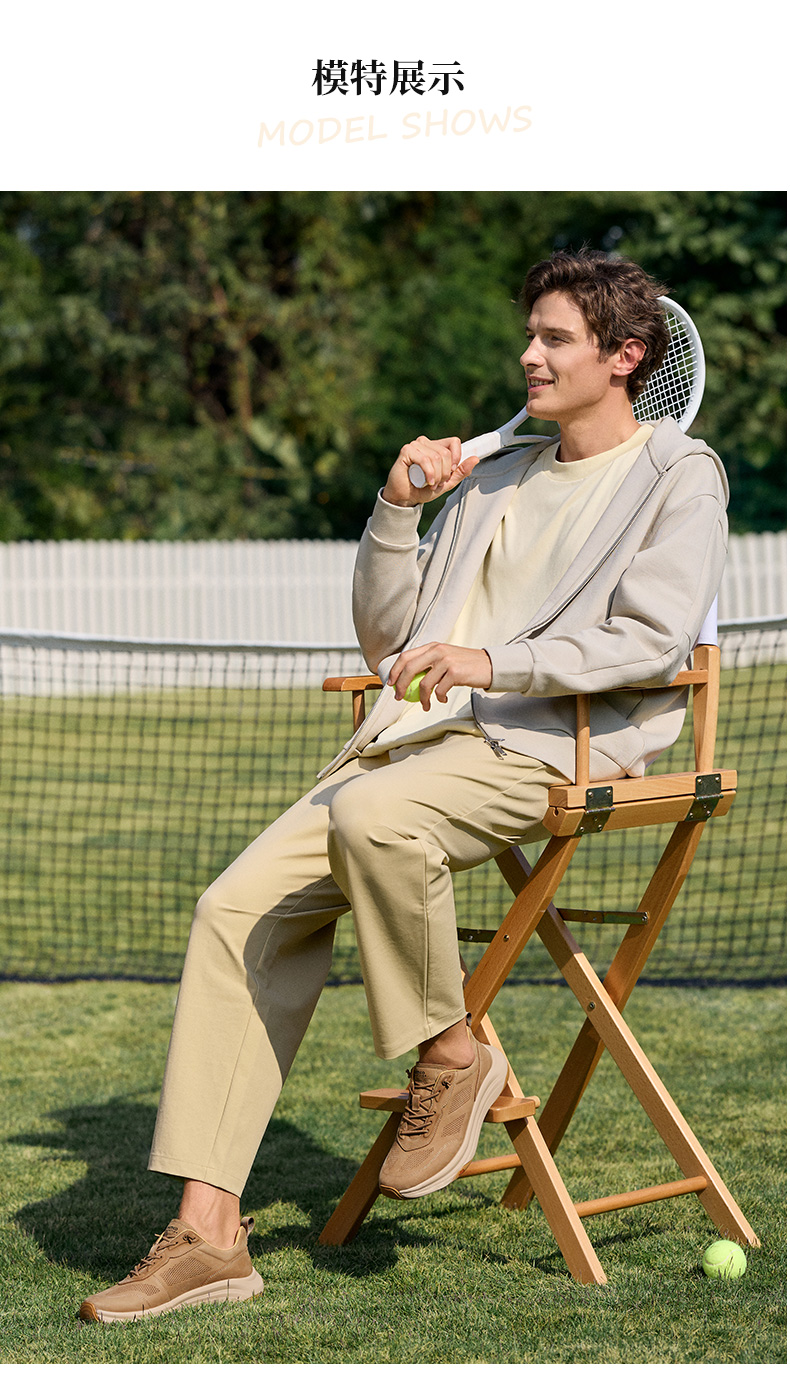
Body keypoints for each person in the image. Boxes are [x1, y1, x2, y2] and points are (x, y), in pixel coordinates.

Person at [79, 248, 728, 1322]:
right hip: (412, 742)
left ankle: (449, 1051)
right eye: (529, 336)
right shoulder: (499, 477)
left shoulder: (679, 473)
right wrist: (395, 511)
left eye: (555, 339)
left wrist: (494, 663)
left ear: (625, 356)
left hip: (552, 745)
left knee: (376, 818)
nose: (529, 356)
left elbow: (651, 639)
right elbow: (392, 642)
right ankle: (209, 1235)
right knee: (232, 910)